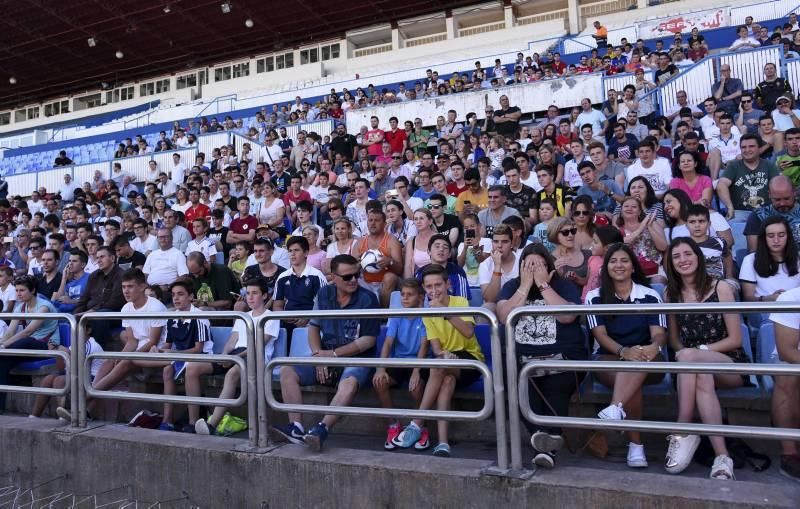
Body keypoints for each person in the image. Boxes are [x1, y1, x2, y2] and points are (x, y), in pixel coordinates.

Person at [272, 254, 380, 451]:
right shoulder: (324, 293)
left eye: (356, 274)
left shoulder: (368, 298)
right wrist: (318, 355)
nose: (354, 280)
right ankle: (295, 427)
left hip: (357, 358)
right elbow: (313, 326)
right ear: (334, 277)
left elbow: (369, 340)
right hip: (327, 354)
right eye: (347, 277)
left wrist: (334, 355)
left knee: (349, 383)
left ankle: (322, 429)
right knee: (287, 371)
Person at [496, 243, 587, 468]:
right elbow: (504, 317)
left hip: (562, 358)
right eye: (529, 265)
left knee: (555, 386)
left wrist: (543, 284)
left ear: (550, 266)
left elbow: (567, 317)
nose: (534, 269)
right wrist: (525, 287)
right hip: (523, 360)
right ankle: (546, 444)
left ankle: (544, 442)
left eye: (540, 265)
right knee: (520, 389)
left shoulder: (564, 286)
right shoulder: (512, 286)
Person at [662, 238, 744, 480]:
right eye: (676, 256)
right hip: (695, 369)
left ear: (698, 257)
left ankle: (682, 429)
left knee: (690, 357)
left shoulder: (721, 288)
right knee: (701, 375)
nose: (683, 260)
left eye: (688, 254)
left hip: (729, 362)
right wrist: (688, 355)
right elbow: (674, 339)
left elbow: (736, 339)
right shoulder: (671, 293)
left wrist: (697, 351)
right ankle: (722, 458)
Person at [586, 243, 667, 469]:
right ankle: (635, 445)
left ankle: (615, 410)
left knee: (635, 366)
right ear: (606, 267)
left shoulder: (650, 295)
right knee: (631, 373)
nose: (619, 265)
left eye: (624, 260)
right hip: (609, 358)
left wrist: (653, 347)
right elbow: (600, 335)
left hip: (647, 357)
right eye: (613, 261)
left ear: (633, 266)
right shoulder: (595, 297)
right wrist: (624, 352)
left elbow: (659, 334)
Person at [391, 264, 484, 457]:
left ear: (447, 283)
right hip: (445, 359)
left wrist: (445, 311)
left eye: (438, 285)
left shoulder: (460, 302)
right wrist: (445, 355)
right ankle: (443, 443)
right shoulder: (427, 311)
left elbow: (468, 333)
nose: (434, 291)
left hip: (470, 357)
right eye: (429, 287)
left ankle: (417, 421)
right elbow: (436, 349)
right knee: (446, 379)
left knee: (439, 366)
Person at [194, 278, 279, 435]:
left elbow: (258, 345)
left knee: (232, 373)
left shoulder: (270, 317)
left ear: (265, 296)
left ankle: (212, 424)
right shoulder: (243, 316)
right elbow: (232, 341)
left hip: (255, 356)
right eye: (248, 293)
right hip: (236, 354)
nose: (250, 297)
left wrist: (235, 358)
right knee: (195, 367)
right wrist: (225, 355)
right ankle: (191, 420)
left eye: (255, 293)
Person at [374, 278, 429, 450]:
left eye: (409, 295)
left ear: (420, 297)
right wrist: (381, 368)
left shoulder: (427, 316)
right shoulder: (397, 315)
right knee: (379, 382)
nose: (404, 298)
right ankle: (393, 425)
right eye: (403, 295)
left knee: (416, 387)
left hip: (419, 362)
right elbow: (388, 343)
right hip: (399, 362)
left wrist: (416, 371)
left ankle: (419, 427)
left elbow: (424, 346)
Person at [0, 275, 62, 413]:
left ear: (33, 290)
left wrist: (4, 346)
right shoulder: (20, 307)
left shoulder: (44, 307)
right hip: (26, 346)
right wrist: (2, 344)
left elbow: (28, 331)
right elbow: (9, 333)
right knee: (2, 361)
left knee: (24, 341)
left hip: (45, 346)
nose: (18, 294)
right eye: (16, 290)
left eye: (22, 290)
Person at [158, 278, 213, 432]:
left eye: (180, 294)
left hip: (204, 358)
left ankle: (192, 422)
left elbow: (198, 350)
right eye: (174, 295)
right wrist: (159, 350)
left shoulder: (199, 317)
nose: (175, 298)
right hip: (181, 357)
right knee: (166, 370)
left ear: (190, 296)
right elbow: (167, 345)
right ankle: (167, 420)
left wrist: (173, 353)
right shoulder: (172, 317)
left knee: (191, 369)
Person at [769, 286, 800, 480]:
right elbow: (786, 351)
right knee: (787, 373)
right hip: (794, 359)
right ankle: (790, 453)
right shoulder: (791, 298)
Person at [740, 216, 800, 314]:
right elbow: (748, 299)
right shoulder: (750, 260)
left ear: (788, 236)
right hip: (764, 311)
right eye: (771, 236)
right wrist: (768, 299)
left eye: (781, 235)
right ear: (764, 238)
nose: (776, 240)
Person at [717, 133, 779, 222]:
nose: (747, 150)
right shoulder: (733, 166)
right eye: (743, 147)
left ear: (759, 148)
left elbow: (777, 186)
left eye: (751, 146)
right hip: (739, 212)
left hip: (766, 211)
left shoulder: (769, 165)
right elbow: (721, 185)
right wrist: (730, 207)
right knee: (732, 224)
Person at [352, 209, 403, 308]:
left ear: (384, 224)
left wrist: (390, 261)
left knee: (390, 277)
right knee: (351, 279)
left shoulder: (392, 241)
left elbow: (400, 269)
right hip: (366, 282)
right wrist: (356, 264)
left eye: (377, 220)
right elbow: (351, 269)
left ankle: (383, 316)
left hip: (385, 283)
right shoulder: (360, 242)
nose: (373, 223)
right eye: (370, 220)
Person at [617, 196, 667, 281]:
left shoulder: (652, 223)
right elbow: (623, 243)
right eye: (626, 206)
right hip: (630, 274)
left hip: (655, 272)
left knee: (658, 281)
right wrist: (642, 227)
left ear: (640, 212)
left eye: (634, 206)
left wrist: (649, 227)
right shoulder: (617, 230)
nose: (630, 208)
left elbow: (663, 247)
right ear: (621, 211)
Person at [479, 224, 519, 312]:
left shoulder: (521, 261)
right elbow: (489, 299)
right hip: (495, 305)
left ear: (512, 243)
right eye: (496, 241)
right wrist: (497, 267)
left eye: (504, 242)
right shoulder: (485, 264)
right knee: (486, 309)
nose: (499, 245)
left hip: (519, 304)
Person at [142, 228, 189, 292]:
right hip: (150, 290)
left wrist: (169, 287)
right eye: (160, 237)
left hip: (168, 290)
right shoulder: (152, 254)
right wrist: (147, 288)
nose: (163, 240)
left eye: (166, 237)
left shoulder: (178, 254)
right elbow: (145, 274)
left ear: (172, 238)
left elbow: (183, 276)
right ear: (157, 239)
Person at [549, 217, 590, 289]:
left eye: (573, 231)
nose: (570, 235)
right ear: (555, 235)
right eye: (565, 232)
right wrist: (556, 274)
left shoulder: (588, 254)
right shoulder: (550, 260)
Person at [51, 249, 89, 313]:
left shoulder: (89, 278)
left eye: (74, 261)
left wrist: (71, 301)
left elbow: (91, 300)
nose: (70, 263)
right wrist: (64, 279)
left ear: (83, 265)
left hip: (79, 311)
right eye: (69, 261)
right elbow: (58, 300)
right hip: (66, 311)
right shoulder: (69, 283)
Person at [404, 208, 436, 278]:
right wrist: (409, 285)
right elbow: (408, 266)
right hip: (419, 280)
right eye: (416, 219)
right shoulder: (411, 241)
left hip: (437, 277)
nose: (418, 221)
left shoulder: (438, 238)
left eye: (421, 218)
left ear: (430, 221)